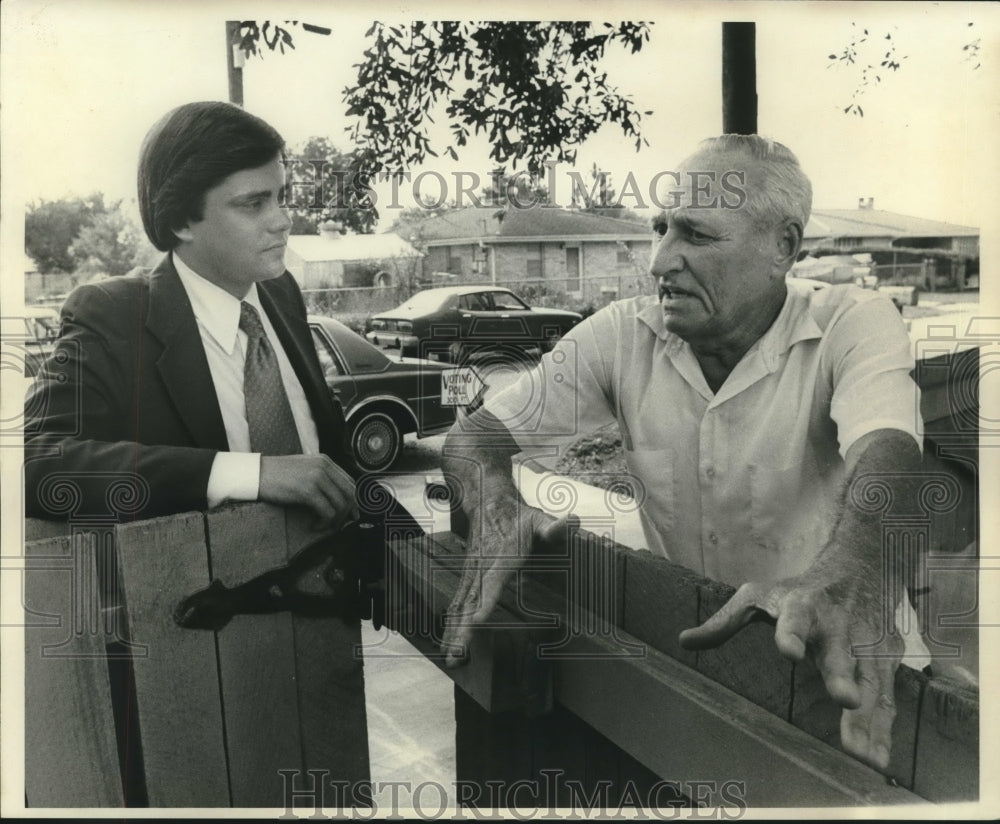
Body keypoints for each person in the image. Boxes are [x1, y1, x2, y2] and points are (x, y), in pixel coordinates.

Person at [440, 134, 925, 772]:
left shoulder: (853, 322)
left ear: (783, 246)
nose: (660, 260)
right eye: (661, 228)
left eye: (696, 235)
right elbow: (475, 437)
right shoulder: (622, 334)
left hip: (855, 673)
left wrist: (854, 571)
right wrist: (494, 502)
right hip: (709, 679)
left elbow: (889, 447)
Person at [24, 101, 362, 526]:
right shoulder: (113, 316)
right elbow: (31, 460)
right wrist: (249, 473)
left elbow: (335, 455)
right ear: (183, 220)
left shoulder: (282, 292)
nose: (283, 221)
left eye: (281, 197)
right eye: (253, 203)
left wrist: (409, 548)